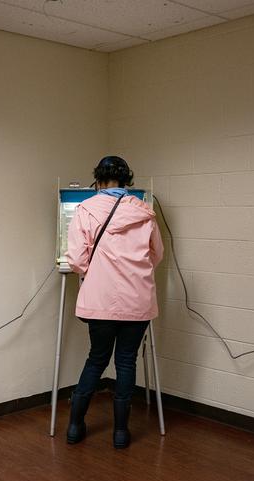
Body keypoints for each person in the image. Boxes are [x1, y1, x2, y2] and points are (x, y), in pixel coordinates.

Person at [64, 156, 164, 449]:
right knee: (126, 362)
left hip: (100, 301)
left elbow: (77, 260)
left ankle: (74, 427)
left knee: (97, 359)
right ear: (127, 181)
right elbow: (156, 256)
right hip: (138, 301)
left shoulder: (86, 209)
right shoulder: (145, 212)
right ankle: (120, 433)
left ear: (98, 180)